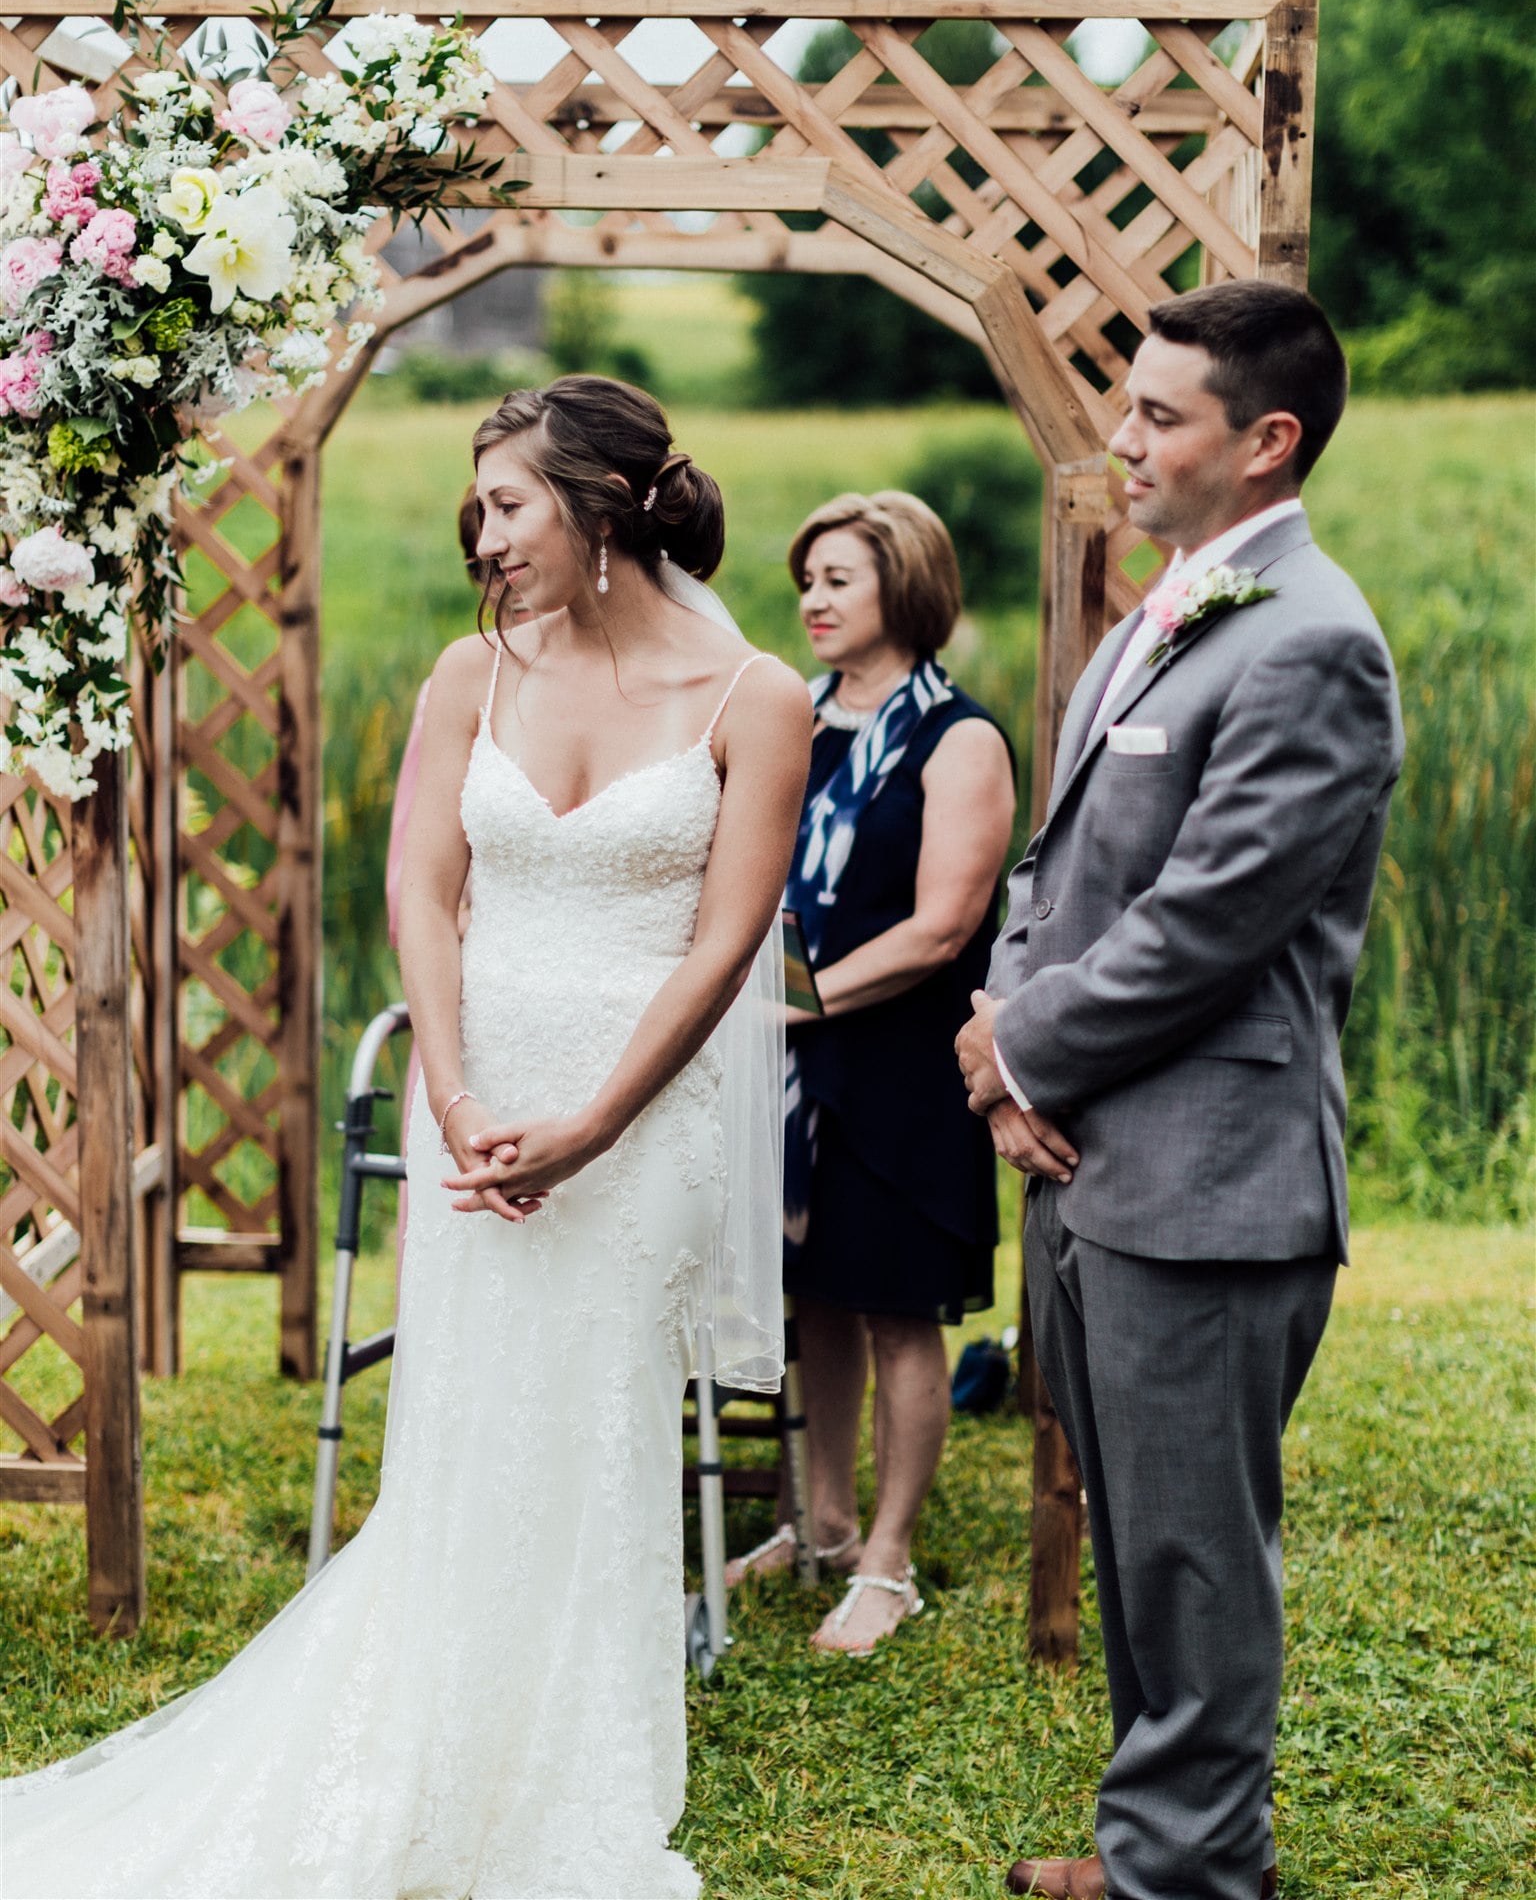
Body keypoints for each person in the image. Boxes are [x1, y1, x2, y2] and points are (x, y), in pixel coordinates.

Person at [0, 377, 812, 1900]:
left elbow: (726, 944)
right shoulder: (469, 676)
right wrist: (450, 1093)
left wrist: (589, 1124)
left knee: (592, 1431)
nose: (480, 532)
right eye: (481, 502)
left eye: (508, 503)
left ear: (603, 512)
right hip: (479, 1102)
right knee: (465, 1425)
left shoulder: (754, 699)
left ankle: (562, 1771)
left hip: (632, 1125)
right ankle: (424, 1733)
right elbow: (419, 893)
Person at [954, 282, 1403, 1900]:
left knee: (1196, 1559)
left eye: (1159, 415)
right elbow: (1067, 866)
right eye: (1126, 405)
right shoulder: (1177, 605)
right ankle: (1166, 1842)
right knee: (1144, 1544)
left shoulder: (1313, 640)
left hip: (1210, 1182)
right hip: (1094, 1159)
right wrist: (1004, 1037)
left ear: (1265, 440)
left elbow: (1211, 917)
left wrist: (1020, 1045)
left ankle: (1190, 1874)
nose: (1121, 438)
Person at [726, 490, 1015, 1657]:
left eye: (839, 577)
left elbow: (946, 926)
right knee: (813, 1299)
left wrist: (796, 1004)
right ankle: (820, 1520)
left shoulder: (962, 739)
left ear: (906, 585)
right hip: (786, 1065)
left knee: (897, 1308)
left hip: (897, 1060)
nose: (813, 599)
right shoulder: (787, 718)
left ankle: (888, 1558)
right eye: (808, 579)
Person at [384, 481, 489, 1279]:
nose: (494, 570)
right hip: (471, 991)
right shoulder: (453, 688)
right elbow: (409, 879)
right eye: (475, 558)